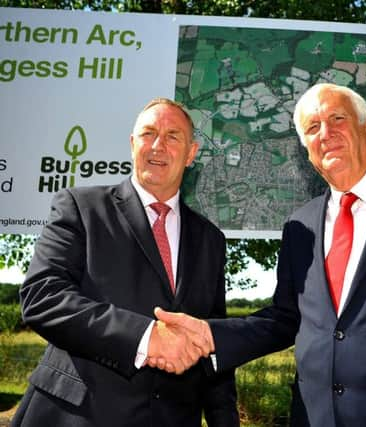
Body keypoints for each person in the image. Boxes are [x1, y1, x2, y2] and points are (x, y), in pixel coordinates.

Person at [154, 83, 366, 426]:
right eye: (312, 127)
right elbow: (285, 318)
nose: (326, 133)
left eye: (337, 119)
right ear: (305, 147)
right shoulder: (299, 226)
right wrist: (210, 336)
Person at [13, 98, 239, 427]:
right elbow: (43, 297)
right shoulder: (80, 206)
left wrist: (224, 420)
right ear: (133, 144)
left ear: (191, 153)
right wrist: (146, 337)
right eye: (148, 133)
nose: (158, 145)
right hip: (75, 416)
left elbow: (211, 344)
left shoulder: (211, 240)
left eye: (173, 136)